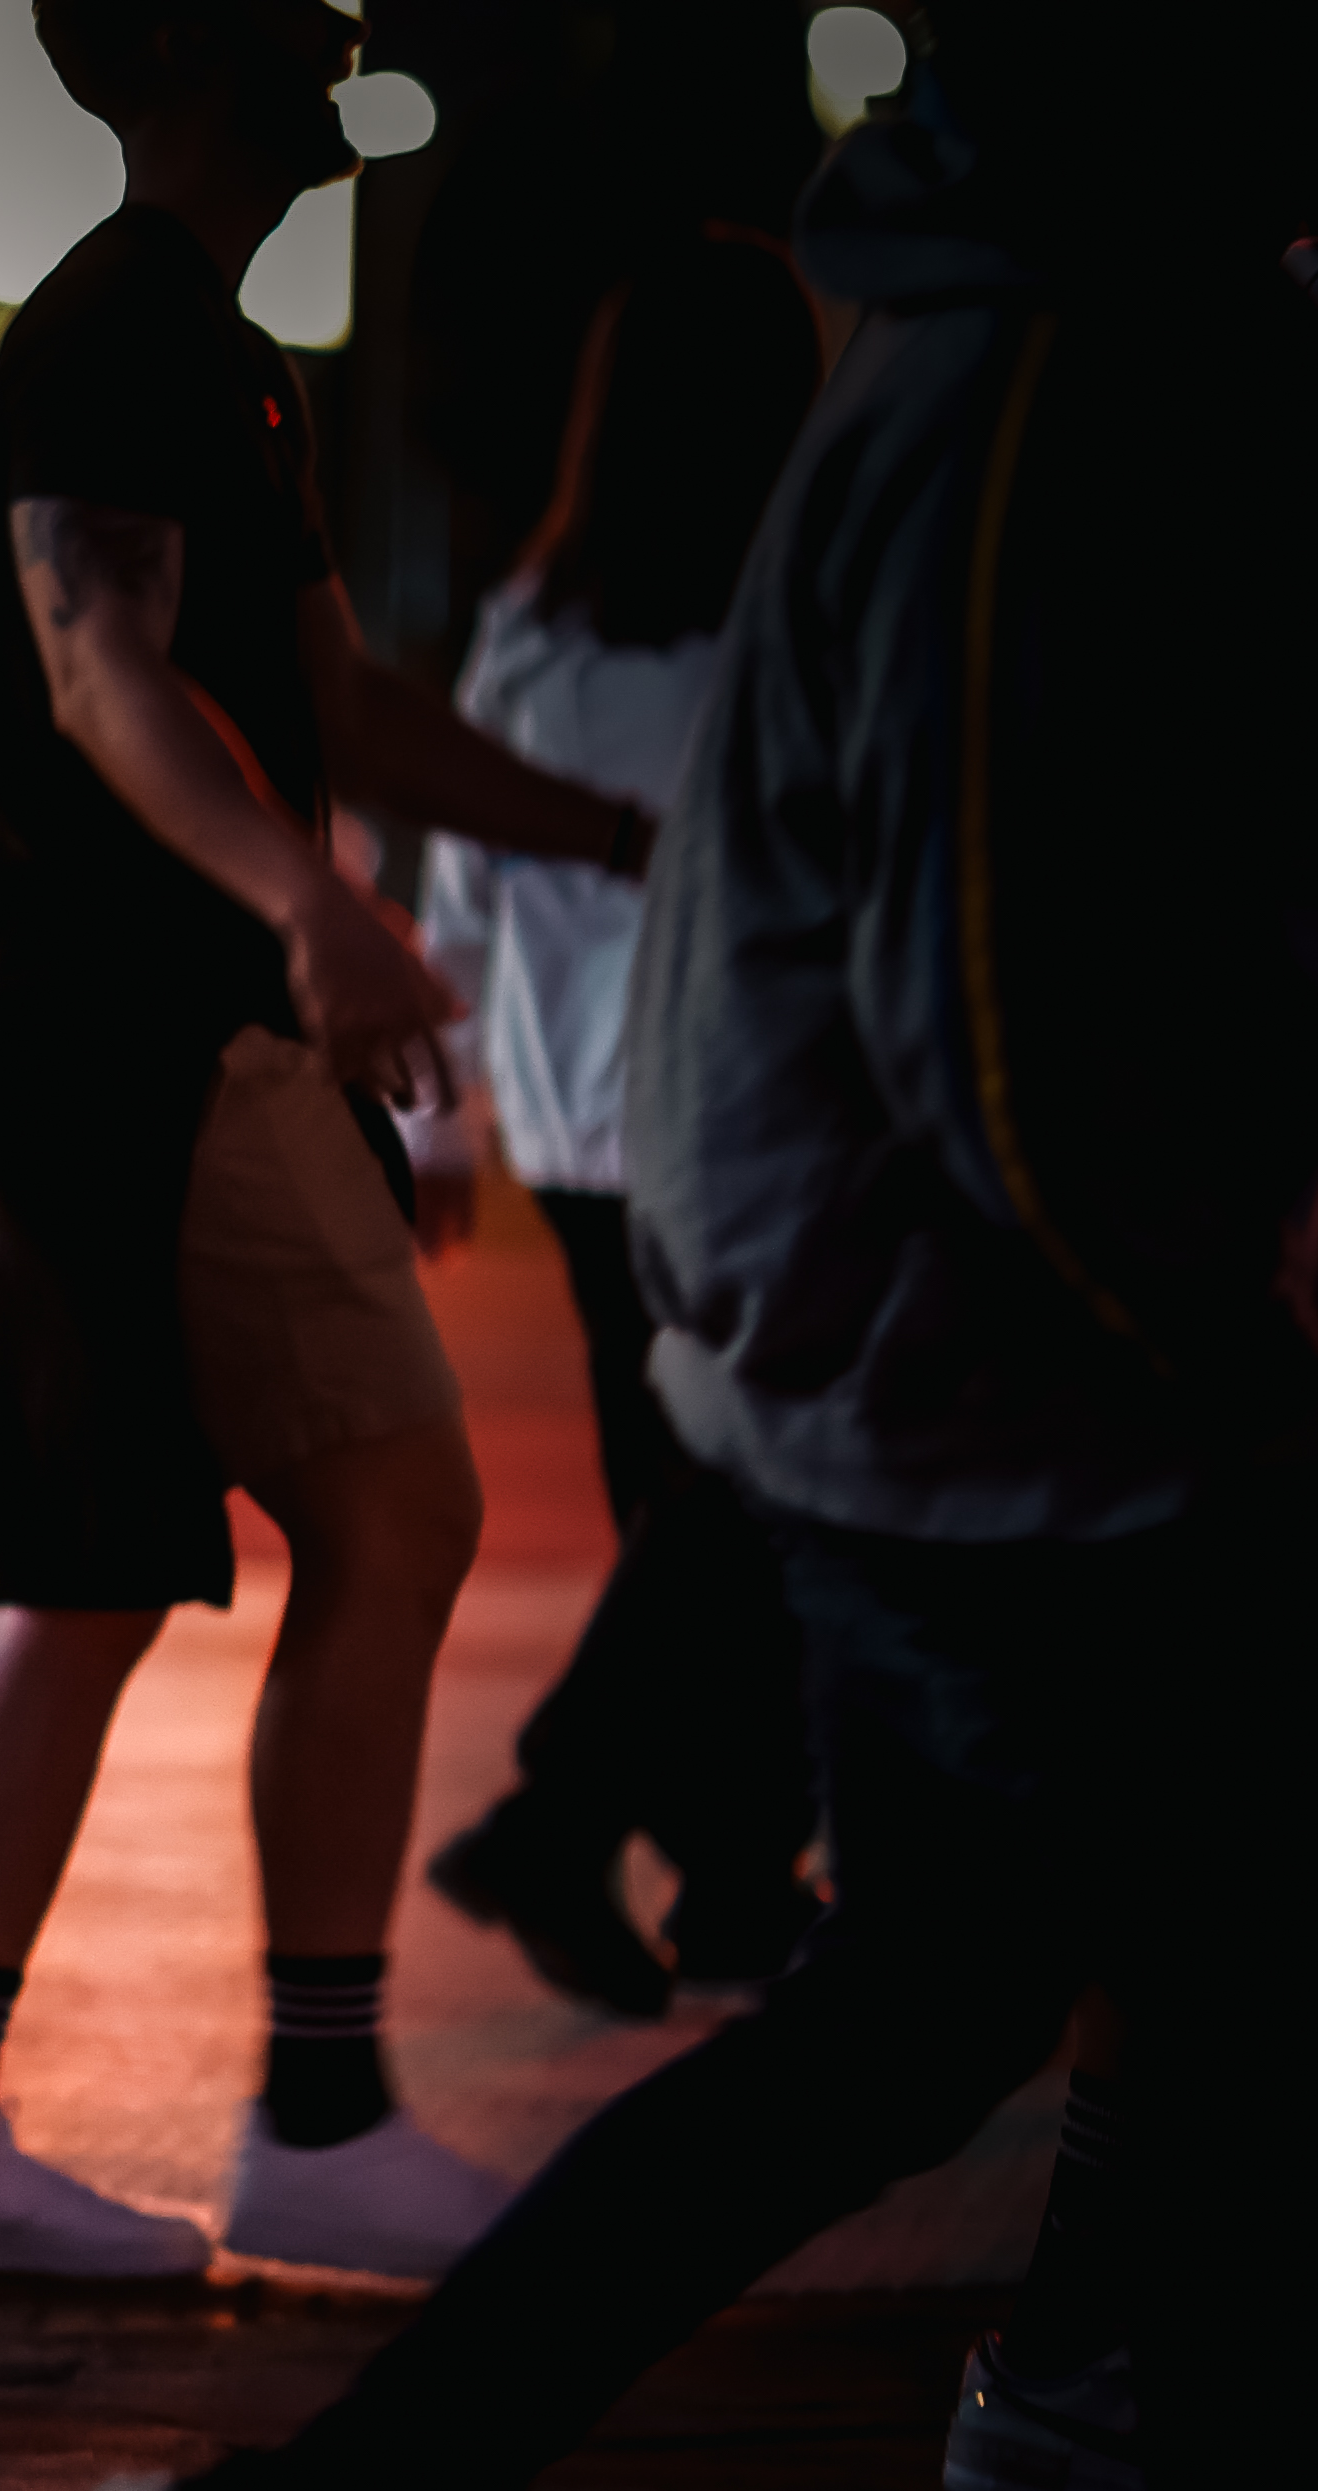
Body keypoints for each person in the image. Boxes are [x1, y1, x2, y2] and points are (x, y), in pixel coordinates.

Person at [95, 5, 1318, 2491]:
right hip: (991, 1369)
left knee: (943, 2018)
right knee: (1256, 2066)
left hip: (905, 1343)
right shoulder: (1056, 383)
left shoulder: (1009, 352)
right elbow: (995, 975)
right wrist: (1231, 1347)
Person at [0, 0, 666, 2283]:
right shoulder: (124, 328)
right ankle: (270, 2107)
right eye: (301, 19)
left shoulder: (219, 347)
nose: (343, 47)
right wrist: (311, 903)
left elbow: (338, 698)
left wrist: (605, 830)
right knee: (362, 1503)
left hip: (155, 1019)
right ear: (200, 60)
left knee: (119, 1559)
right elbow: (104, 665)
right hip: (143, 1021)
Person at [410, 235, 824, 2021]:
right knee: (754, 1487)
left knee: (683, 1489)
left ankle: (731, 1878)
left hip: (576, 1141)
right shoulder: (784, 617)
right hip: (743, 1114)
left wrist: (438, 1117)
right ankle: (579, 1820)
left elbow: (463, 890)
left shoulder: (533, 629)